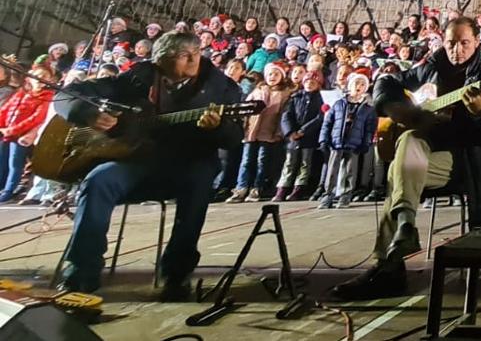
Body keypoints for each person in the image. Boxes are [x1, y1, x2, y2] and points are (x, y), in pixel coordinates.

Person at [329, 17, 481, 299]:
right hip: (424, 153)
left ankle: (390, 265)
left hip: (466, 162)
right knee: (409, 139)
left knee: (398, 175)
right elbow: (387, 81)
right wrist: (397, 108)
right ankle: (403, 229)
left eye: (464, 43)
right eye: (451, 42)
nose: (456, 50)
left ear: (476, 42)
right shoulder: (431, 68)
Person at [54, 31, 243, 297]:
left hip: (188, 163)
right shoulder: (136, 78)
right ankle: (81, 272)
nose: (192, 60)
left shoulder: (221, 87)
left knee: (199, 180)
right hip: (135, 161)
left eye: (196, 53)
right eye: (182, 55)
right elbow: (66, 95)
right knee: (98, 180)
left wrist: (219, 127)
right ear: (160, 60)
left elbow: (234, 138)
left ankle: (176, 273)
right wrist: (85, 113)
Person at [228, 62, 289, 203]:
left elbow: (282, 116)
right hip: (251, 132)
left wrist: (279, 133)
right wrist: (243, 126)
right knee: (246, 161)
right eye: (270, 74)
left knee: (262, 161)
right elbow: (245, 110)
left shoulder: (283, 94)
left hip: (268, 133)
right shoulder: (257, 91)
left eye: (276, 74)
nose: (272, 77)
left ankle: (256, 187)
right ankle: (241, 187)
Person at [319, 72, 377, 209]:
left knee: (350, 170)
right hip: (337, 141)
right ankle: (328, 194)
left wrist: (366, 143)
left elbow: (370, 128)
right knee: (333, 169)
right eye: (356, 83)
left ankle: (345, 195)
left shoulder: (368, 109)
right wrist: (323, 139)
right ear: (350, 86)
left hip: (354, 143)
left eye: (363, 84)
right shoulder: (339, 104)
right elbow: (328, 122)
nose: (359, 86)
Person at [0, 63, 55, 202]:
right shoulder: (21, 93)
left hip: (20, 135)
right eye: (37, 76)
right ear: (30, 78)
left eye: (44, 76)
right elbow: (5, 110)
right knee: (2, 161)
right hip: (6, 134)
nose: (40, 79)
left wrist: (13, 130)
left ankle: (8, 190)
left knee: (15, 163)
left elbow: (36, 118)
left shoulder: (46, 96)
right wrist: (2, 126)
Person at [275, 71, 326, 201]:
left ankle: (299, 188)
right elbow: (286, 115)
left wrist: (304, 130)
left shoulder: (321, 99)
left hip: (309, 137)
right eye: (307, 81)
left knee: (305, 163)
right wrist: (290, 132)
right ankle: (282, 188)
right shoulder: (295, 97)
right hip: (293, 137)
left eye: (313, 82)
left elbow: (319, 118)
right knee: (289, 163)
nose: (310, 84)